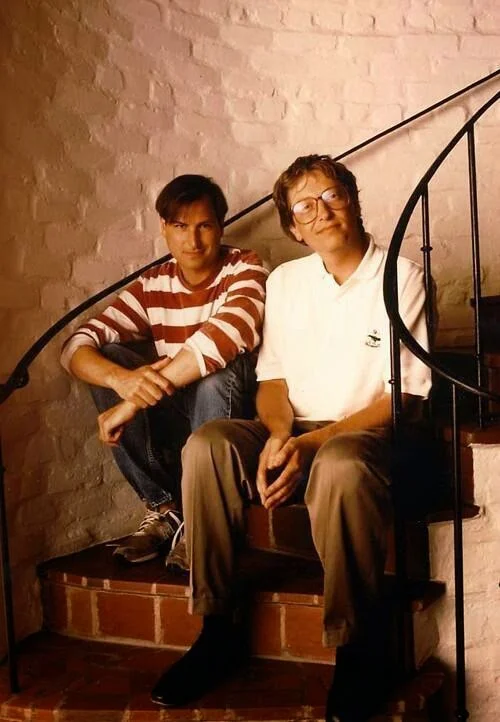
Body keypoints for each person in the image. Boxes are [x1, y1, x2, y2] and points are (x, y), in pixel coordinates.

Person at [149, 155, 432, 721]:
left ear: (353, 202)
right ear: (294, 228)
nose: (320, 211)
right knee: (208, 445)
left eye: (332, 196)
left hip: (367, 432)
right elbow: (272, 381)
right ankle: (217, 628)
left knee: (340, 464)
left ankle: (357, 648)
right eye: (304, 206)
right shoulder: (284, 281)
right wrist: (280, 436)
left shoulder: (401, 276)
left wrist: (309, 446)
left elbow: (403, 397)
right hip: (293, 425)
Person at [61, 174, 268, 565]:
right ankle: (165, 509)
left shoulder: (247, 266)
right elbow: (76, 346)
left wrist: (130, 404)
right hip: (175, 415)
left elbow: (228, 333)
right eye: (180, 226)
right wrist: (121, 381)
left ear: (221, 226)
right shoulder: (153, 284)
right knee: (110, 357)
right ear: (163, 228)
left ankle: (203, 518)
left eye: (205, 226)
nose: (193, 241)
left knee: (219, 370)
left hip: (231, 423)